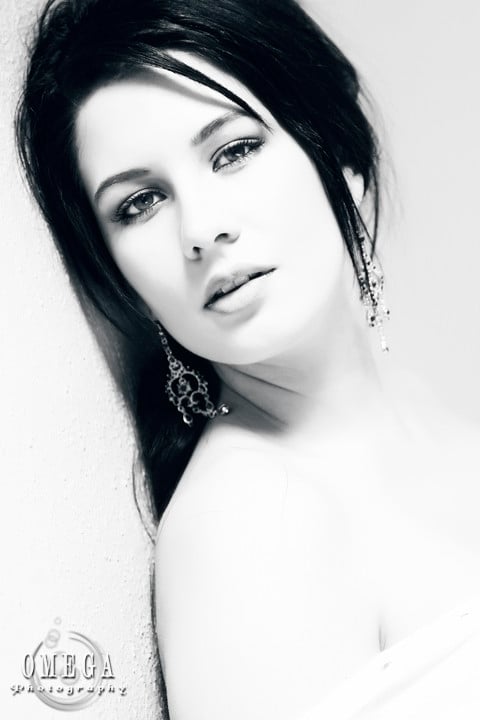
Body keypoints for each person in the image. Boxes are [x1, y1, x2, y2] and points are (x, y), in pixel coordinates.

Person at [16, 0, 480, 718]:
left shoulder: (415, 409)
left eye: (232, 151)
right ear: (122, 283)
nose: (201, 230)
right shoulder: (245, 532)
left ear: (337, 154)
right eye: (140, 203)